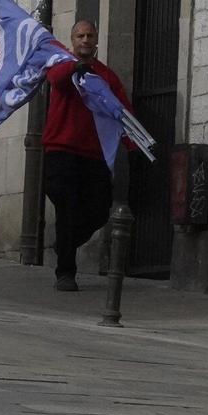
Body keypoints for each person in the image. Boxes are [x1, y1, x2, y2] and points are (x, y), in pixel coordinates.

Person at [42, 18, 129, 292]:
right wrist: (74, 68)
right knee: (66, 208)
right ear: (73, 40)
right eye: (80, 36)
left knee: (99, 209)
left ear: (96, 40)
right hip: (61, 151)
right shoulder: (62, 66)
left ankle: (65, 243)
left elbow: (122, 111)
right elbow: (55, 79)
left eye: (90, 35)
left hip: (94, 155)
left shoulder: (107, 76)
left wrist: (135, 144)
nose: (85, 40)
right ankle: (66, 273)